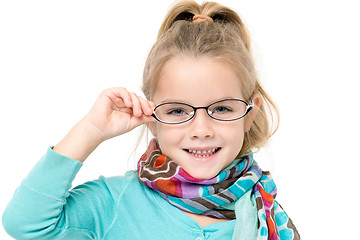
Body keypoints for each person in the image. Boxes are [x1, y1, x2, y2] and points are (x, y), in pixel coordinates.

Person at [2, 1, 300, 239]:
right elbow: (26, 224)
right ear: (151, 116)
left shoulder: (270, 219)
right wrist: (91, 130)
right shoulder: (114, 203)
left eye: (221, 109)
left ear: (250, 114)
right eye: (177, 111)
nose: (200, 130)